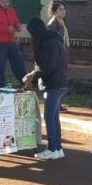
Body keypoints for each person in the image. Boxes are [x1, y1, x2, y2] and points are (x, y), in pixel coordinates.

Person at [23, 18, 68, 160]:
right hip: (59, 82)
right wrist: (34, 76)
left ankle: (52, 148)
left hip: (54, 84)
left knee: (49, 117)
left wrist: (33, 76)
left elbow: (48, 67)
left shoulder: (49, 43)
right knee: (54, 117)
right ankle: (58, 148)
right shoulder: (54, 40)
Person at [0, 0, 26, 87]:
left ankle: (24, 82)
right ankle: (1, 85)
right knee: (0, 65)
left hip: (11, 41)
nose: (6, 4)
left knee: (18, 62)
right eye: (4, 2)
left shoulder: (11, 10)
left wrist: (18, 26)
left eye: (7, 2)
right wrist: (7, 29)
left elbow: (16, 21)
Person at [46, 0, 70, 111]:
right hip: (56, 58)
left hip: (62, 56)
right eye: (60, 9)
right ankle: (55, 104)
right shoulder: (52, 25)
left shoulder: (61, 23)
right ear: (54, 11)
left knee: (61, 79)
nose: (63, 11)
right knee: (56, 80)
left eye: (64, 9)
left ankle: (58, 103)